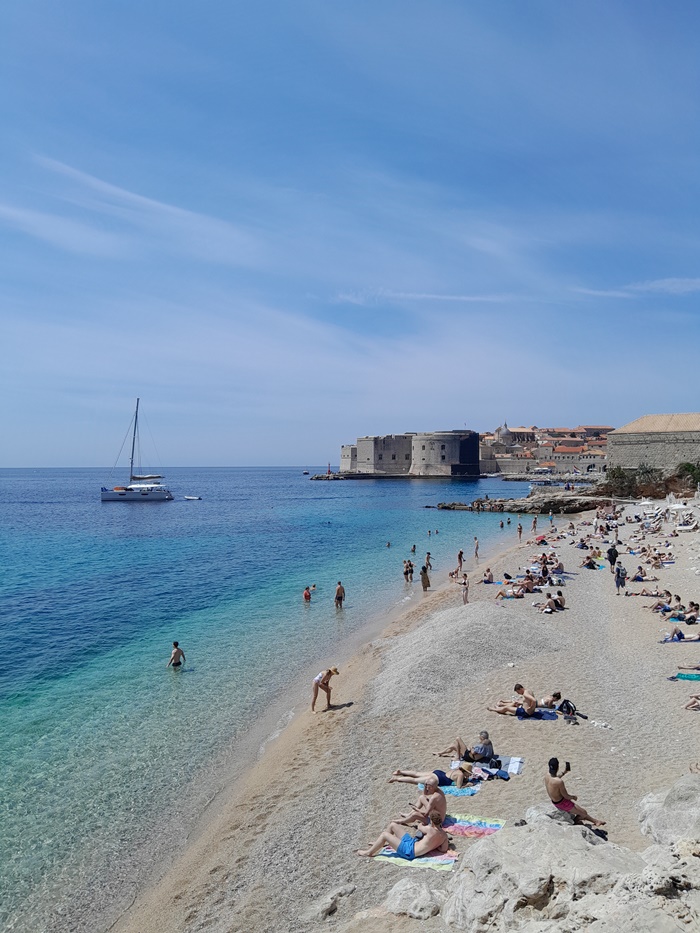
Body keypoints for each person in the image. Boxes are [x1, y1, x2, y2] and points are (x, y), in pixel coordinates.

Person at [356, 810, 449, 860]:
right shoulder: (444, 835)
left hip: (409, 851)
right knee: (393, 825)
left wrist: (423, 824)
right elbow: (443, 849)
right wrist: (433, 845)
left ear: (431, 821)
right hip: (412, 843)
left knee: (384, 835)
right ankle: (379, 843)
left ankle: (368, 852)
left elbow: (420, 826)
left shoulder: (429, 829)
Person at [545, 758, 605, 826]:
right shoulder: (559, 782)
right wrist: (573, 797)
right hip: (562, 803)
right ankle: (575, 822)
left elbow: (554, 780)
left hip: (555, 801)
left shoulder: (547, 775)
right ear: (558, 767)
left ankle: (596, 821)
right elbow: (566, 796)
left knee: (582, 811)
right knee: (583, 813)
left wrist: (564, 773)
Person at [390, 762, 473, 790]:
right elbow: (459, 787)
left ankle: (400, 771)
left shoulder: (457, 770)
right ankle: (397, 779)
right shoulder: (461, 774)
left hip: (439, 772)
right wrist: (467, 785)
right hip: (438, 779)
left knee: (417, 774)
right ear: (465, 771)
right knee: (415, 781)